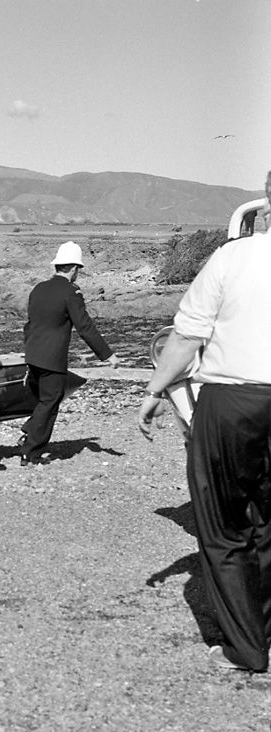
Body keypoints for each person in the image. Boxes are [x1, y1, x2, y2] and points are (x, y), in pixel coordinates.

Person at [139, 172, 271, 672]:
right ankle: (264, 627)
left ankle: (245, 648)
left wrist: (155, 390)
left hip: (233, 399)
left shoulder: (232, 258)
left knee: (221, 525)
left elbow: (188, 334)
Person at [20, 241, 119, 465]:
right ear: (74, 268)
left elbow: (29, 324)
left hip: (33, 354)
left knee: (43, 401)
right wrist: (107, 354)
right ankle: (31, 451)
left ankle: (29, 431)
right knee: (50, 402)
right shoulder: (71, 292)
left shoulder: (38, 288)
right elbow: (85, 326)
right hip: (52, 358)